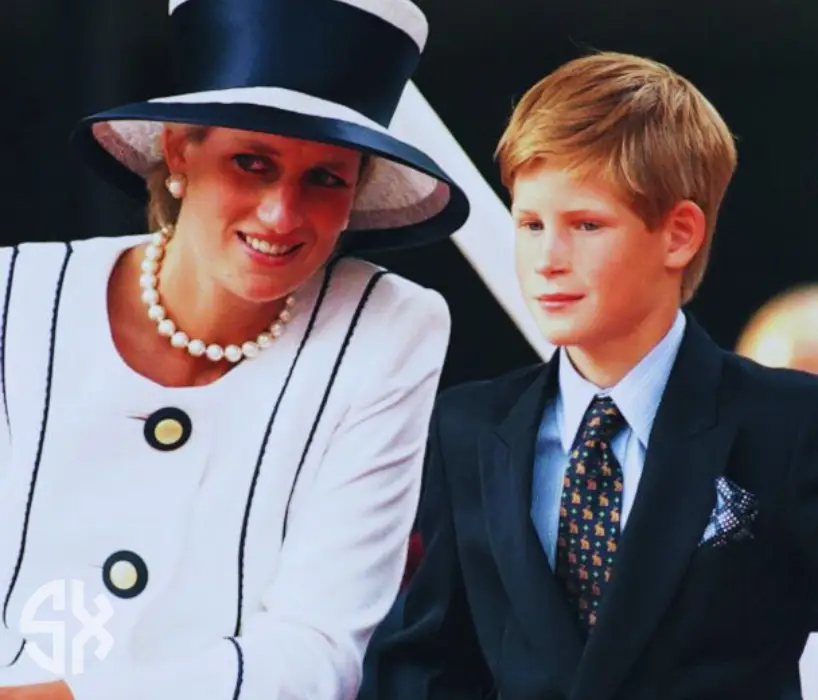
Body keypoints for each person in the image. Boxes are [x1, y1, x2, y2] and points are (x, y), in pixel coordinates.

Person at [0, 1, 470, 699]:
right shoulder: (15, 294)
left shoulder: (388, 329)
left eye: (326, 177)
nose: (282, 214)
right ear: (180, 152)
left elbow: (315, 654)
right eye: (252, 163)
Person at [370, 51, 818, 700]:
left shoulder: (793, 424)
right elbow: (427, 663)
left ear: (679, 234)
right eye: (530, 224)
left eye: (585, 225)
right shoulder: (468, 429)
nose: (547, 258)